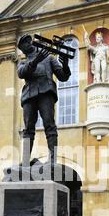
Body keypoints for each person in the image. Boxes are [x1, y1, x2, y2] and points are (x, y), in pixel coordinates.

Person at [17, 34, 71, 166]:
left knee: (50, 125)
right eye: (24, 44)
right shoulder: (23, 61)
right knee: (28, 129)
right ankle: (25, 161)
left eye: (28, 41)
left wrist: (65, 65)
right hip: (29, 95)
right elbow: (21, 73)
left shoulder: (49, 58)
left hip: (46, 92)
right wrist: (35, 61)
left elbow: (63, 77)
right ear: (22, 49)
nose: (28, 44)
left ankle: (52, 159)